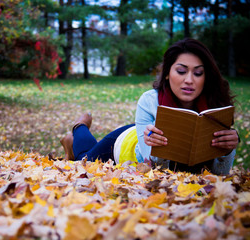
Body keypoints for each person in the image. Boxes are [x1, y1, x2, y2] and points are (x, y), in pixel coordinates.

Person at [60, 38, 239, 175]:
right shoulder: (149, 101)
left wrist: (228, 150)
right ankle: (79, 129)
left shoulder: (216, 106)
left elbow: (219, 175)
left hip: (141, 136)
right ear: (168, 73)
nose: (189, 80)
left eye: (198, 73)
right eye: (181, 71)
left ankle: (74, 139)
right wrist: (156, 147)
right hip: (124, 145)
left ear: (206, 77)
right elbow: (154, 170)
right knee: (82, 162)